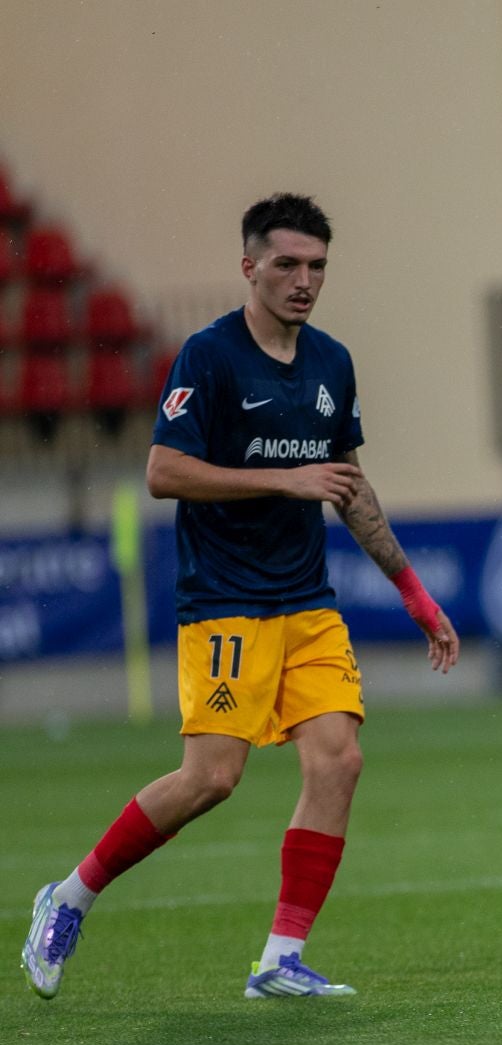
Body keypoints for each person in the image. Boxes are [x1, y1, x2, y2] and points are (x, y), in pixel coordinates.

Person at [20, 194, 459, 1001]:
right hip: (225, 600)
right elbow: (163, 471)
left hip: (308, 602)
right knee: (212, 778)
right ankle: (70, 894)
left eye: (317, 266)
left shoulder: (332, 364)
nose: (303, 280)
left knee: (340, 759)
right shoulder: (209, 357)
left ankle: (280, 959)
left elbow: (349, 489)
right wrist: (282, 477)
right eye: (287, 264)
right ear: (249, 266)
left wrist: (414, 592)